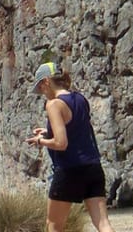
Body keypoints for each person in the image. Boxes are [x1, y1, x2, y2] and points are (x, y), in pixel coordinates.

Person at [24, 62, 115, 232]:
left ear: (46, 82)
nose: (43, 94)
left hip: (69, 170)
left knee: (53, 226)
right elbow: (76, 128)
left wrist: (39, 141)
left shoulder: (53, 104)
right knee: (103, 224)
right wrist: (47, 131)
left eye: (41, 89)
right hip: (93, 167)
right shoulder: (80, 99)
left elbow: (61, 143)